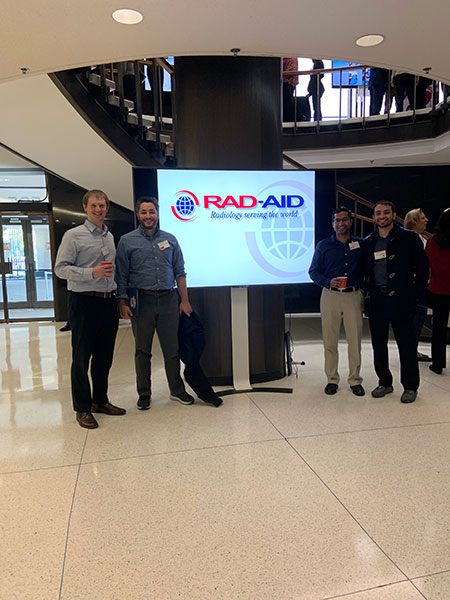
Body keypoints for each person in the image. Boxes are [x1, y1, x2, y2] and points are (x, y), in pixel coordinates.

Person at [54, 189, 126, 429]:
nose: (98, 209)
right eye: (94, 205)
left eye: (102, 205)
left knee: (104, 357)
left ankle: (100, 401)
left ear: (107, 208)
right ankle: (82, 408)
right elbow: (60, 269)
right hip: (83, 302)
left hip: (107, 302)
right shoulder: (73, 235)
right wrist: (91, 273)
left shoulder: (109, 235)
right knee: (81, 358)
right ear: (85, 207)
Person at [115, 196, 195, 409]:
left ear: (157, 214)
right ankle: (144, 394)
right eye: (144, 212)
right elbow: (121, 275)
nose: (148, 216)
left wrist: (184, 301)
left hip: (169, 300)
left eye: (152, 211)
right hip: (141, 302)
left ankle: (177, 390)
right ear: (138, 215)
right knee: (142, 351)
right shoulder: (127, 241)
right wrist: (122, 302)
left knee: (172, 349)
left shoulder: (170, 239)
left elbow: (180, 272)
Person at [363, 201, 429, 403]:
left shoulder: (409, 238)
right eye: (378, 213)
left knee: (406, 345)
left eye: (386, 212)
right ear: (374, 217)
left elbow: (423, 269)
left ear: (394, 215)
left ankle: (410, 386)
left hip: (403, 300)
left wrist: (415, 296)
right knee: (378, 344)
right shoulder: (369, 241)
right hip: (377, 300)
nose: (382, 216)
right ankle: (384, 382)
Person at [309, 207, 365, 396]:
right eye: (337, 220)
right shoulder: (323, 245)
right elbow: (313, 271)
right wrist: (327, 281)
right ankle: (332, 379)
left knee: (355, 341)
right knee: (330, 340)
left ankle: (355, 380)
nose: (341, 223)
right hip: (330, 295)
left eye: (344, 220)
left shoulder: (360, 244)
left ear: (350, 222)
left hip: (353, 296)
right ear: (332, 224)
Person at [404, 208, 431, 361]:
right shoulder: (409, 239)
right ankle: (411, 351)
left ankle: (412, 349)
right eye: (423, 218)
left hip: (422, 285)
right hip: (413, 286)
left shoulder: (423, 239)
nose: (426, 220)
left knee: (419, 319)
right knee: (415, 320)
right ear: (414, 221)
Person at [425, 208, 450, 375]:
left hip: (438, 289)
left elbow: (428, 262)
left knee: (438, 328)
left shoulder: (433, 241)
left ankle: (438, 363)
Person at [282, 57, 299, 123]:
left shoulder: (291, 58)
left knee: (287, 101)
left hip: (288, 82)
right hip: (288, 82)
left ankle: (290, 119)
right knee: (288, 101)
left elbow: (290, 72)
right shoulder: (289, 58)